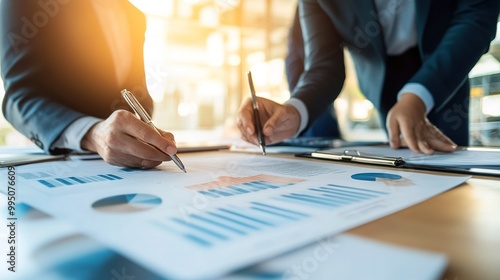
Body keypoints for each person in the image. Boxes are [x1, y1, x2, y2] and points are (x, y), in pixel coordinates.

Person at [238, 0, 500, 154]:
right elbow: (324, 65)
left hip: (444, 70)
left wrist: (418, 96)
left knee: (450, 163)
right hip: (383, 78)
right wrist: (293, 112)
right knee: (401, 167)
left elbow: (477, 14)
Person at [1, 0, 178, 168]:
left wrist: (141, 132)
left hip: (121, 166)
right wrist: (92, 133)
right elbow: (19, 97)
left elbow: (137, 91)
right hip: (58, 159)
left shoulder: (134, 15)